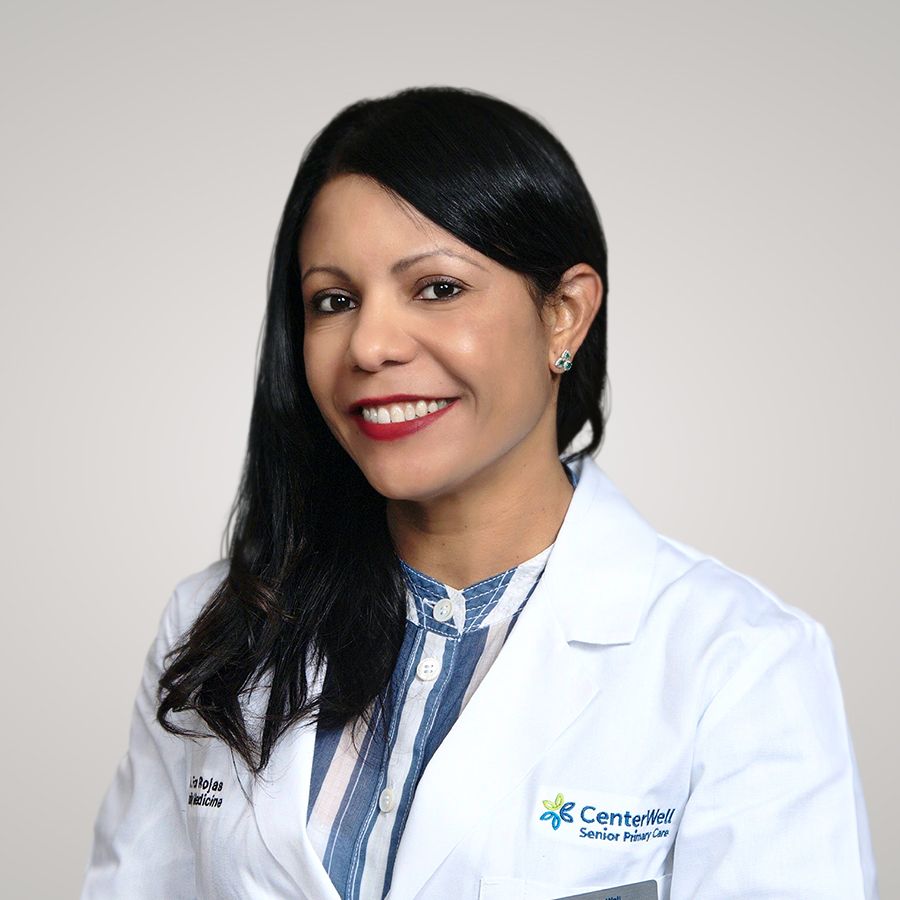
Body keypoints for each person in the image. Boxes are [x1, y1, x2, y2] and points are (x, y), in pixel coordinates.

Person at [81, 85, 878, 900]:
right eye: (335, 301)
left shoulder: (740, 663)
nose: (370, 345)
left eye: (437, 288)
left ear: (564, 314)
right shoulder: (216, 625)